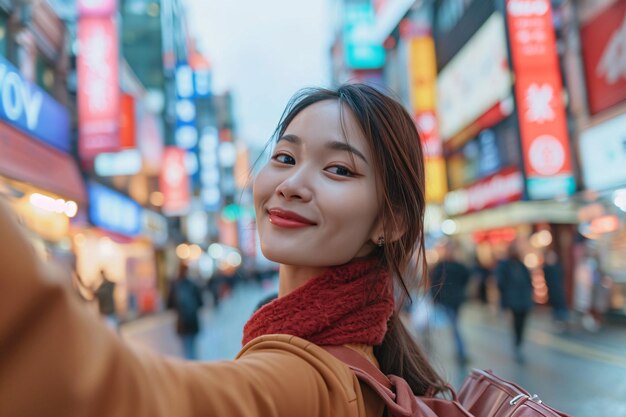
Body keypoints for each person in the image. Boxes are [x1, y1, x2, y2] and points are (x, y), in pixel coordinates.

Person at [0, 84, 449, 416]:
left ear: (390, 223)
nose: (291, 185)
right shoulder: (346, 356)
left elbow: (113, 396)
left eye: (337, 169)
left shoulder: (309, 381)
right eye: (286, 158)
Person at [429, 242, 470, 364]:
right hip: (449, 300)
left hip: (452, 301)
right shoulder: (444, 266)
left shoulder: (450, 266)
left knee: (454, 326)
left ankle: (461, 352)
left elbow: (466, 278)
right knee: (455, 326)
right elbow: (434, 283)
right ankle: (461, 352)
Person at [495, 243, 534, 364]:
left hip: (524, 299)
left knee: (522, 322)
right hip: (514, 299)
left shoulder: (521, 265)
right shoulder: (505, 265)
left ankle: (519, 342)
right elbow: (501, 282)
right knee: (517, 322)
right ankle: (517, 343)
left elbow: (528, 280)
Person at [167, 263, 204, 360]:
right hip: (193, 321)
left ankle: (189, 367)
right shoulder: (192, 284)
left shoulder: (175, 285)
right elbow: (201, 302)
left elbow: (169, 304)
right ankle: (194, 366)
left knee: (186, 348)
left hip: (182, 322)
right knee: (192, 347)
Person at [542, 249, 568, 330]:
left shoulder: (558, 267)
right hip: (553, 291)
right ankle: (557, 322)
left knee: (561, 307)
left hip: (559, 290)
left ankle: (562, 321)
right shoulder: (547, 268)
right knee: (556, 308)